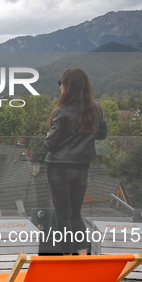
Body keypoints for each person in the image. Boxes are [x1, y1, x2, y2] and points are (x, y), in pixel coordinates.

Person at [44, 68, 107, 255]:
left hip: (59, 169)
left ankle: (67, 258)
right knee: (76, 215)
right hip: (82, 169)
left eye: (61, 82)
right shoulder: (96, 108)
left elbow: (49, 144)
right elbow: (102, 134)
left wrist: (49, 134)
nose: (60, 86)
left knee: (63, 216)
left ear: (68, 87)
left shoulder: (61, 111)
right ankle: (81, 257)